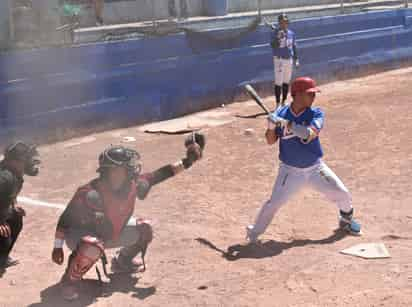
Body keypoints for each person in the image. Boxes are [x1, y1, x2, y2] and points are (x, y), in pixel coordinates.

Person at [51, 133, 205, 301]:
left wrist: (189, 160)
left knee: (144, 228)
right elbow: (65, 219)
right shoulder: (89, 193)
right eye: (127, 166)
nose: (133, 168)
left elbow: (163, 173)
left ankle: (123, 261)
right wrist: (57, 247)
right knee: (92, 246)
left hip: (110, 232)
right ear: (114, 171)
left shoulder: (133, 184)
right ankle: (69, 282)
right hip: (80, 238)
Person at [246, 77, 361, 244]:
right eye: (310, 94)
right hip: (289, 171)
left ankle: (346, 221)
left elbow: (309, 134)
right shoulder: (280, 114)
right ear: (297, 94)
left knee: (343, 194)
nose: (313, 97)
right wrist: (271, 127)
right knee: (274, 203)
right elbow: (270, 141)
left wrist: (288, 124)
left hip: (315, 168)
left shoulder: (316, 113)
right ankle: (253, 234)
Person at [0, 142, 41, 270]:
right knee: (3, 235)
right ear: (14, 161)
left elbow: (6, 195)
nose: (29, 163)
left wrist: (12, 206)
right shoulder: (4, 178)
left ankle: (1, 259)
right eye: (25, 159)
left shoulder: (15, 174)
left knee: (16, 218)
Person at [270, 13, 299, 109]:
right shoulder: (275, 33)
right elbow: (273, 45)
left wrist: (296, 58)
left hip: (289, 59)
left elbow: (294, 46)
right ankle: (278, 104)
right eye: (282, 22)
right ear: (279, 23)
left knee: (286, 81)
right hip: (279, 59)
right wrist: (279, 38)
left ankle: (283, 101)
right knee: (278, 81)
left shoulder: (291, 33)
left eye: (285, 22)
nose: (284, 24)